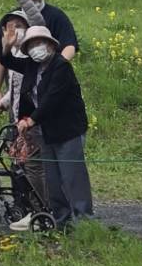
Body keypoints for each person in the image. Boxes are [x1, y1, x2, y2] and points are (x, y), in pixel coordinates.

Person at [15, 25, 93, 226]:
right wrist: (24, 119)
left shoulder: (61, 66)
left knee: (72, 176)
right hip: (45, 132)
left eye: (39, 43)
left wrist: (32, 119)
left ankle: (84, 220)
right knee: (52, 179)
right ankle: (61, 219)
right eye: (31, 44)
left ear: (50, 44)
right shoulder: (31, 67)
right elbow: (26, 93)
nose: (36, 48)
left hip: (67, 130)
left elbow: (53, 98)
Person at [0, 9, 49, 229]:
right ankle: (27, 208)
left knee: (33, 167)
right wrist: (2, 103)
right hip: (16, 120)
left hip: (31, 121)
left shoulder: (31, 57)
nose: (14, 30)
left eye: (18, 25)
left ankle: (41, 211)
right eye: (9, 26)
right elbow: (13, 90)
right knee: (20, 166)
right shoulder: (13, 58)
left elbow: (30, 90)